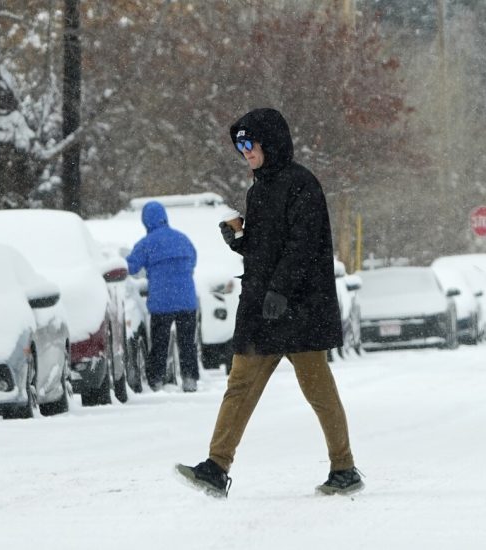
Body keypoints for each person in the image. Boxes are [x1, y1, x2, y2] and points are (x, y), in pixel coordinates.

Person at [176, 108, 363, 496]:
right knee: (240, 383)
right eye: (239, 145)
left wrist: (280, 289)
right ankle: (216, 466)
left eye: (250, 143)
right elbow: (267, 248)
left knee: (318, 389)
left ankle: (344, 468)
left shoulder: (302, 185)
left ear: (271, 142)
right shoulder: (259, 189)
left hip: (300, 308)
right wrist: (241, 241)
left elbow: (303, 246)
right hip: (264, 308)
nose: (244, 151)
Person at [127, 201, 199, 392]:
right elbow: (193, 259)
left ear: (146, 221)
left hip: (161, 302)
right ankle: (190, 378)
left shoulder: (146, 244)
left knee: (159, 343)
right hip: (186, 300)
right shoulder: (182, 238)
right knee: (187, 343)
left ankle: (156, 380)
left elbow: (131, 267)